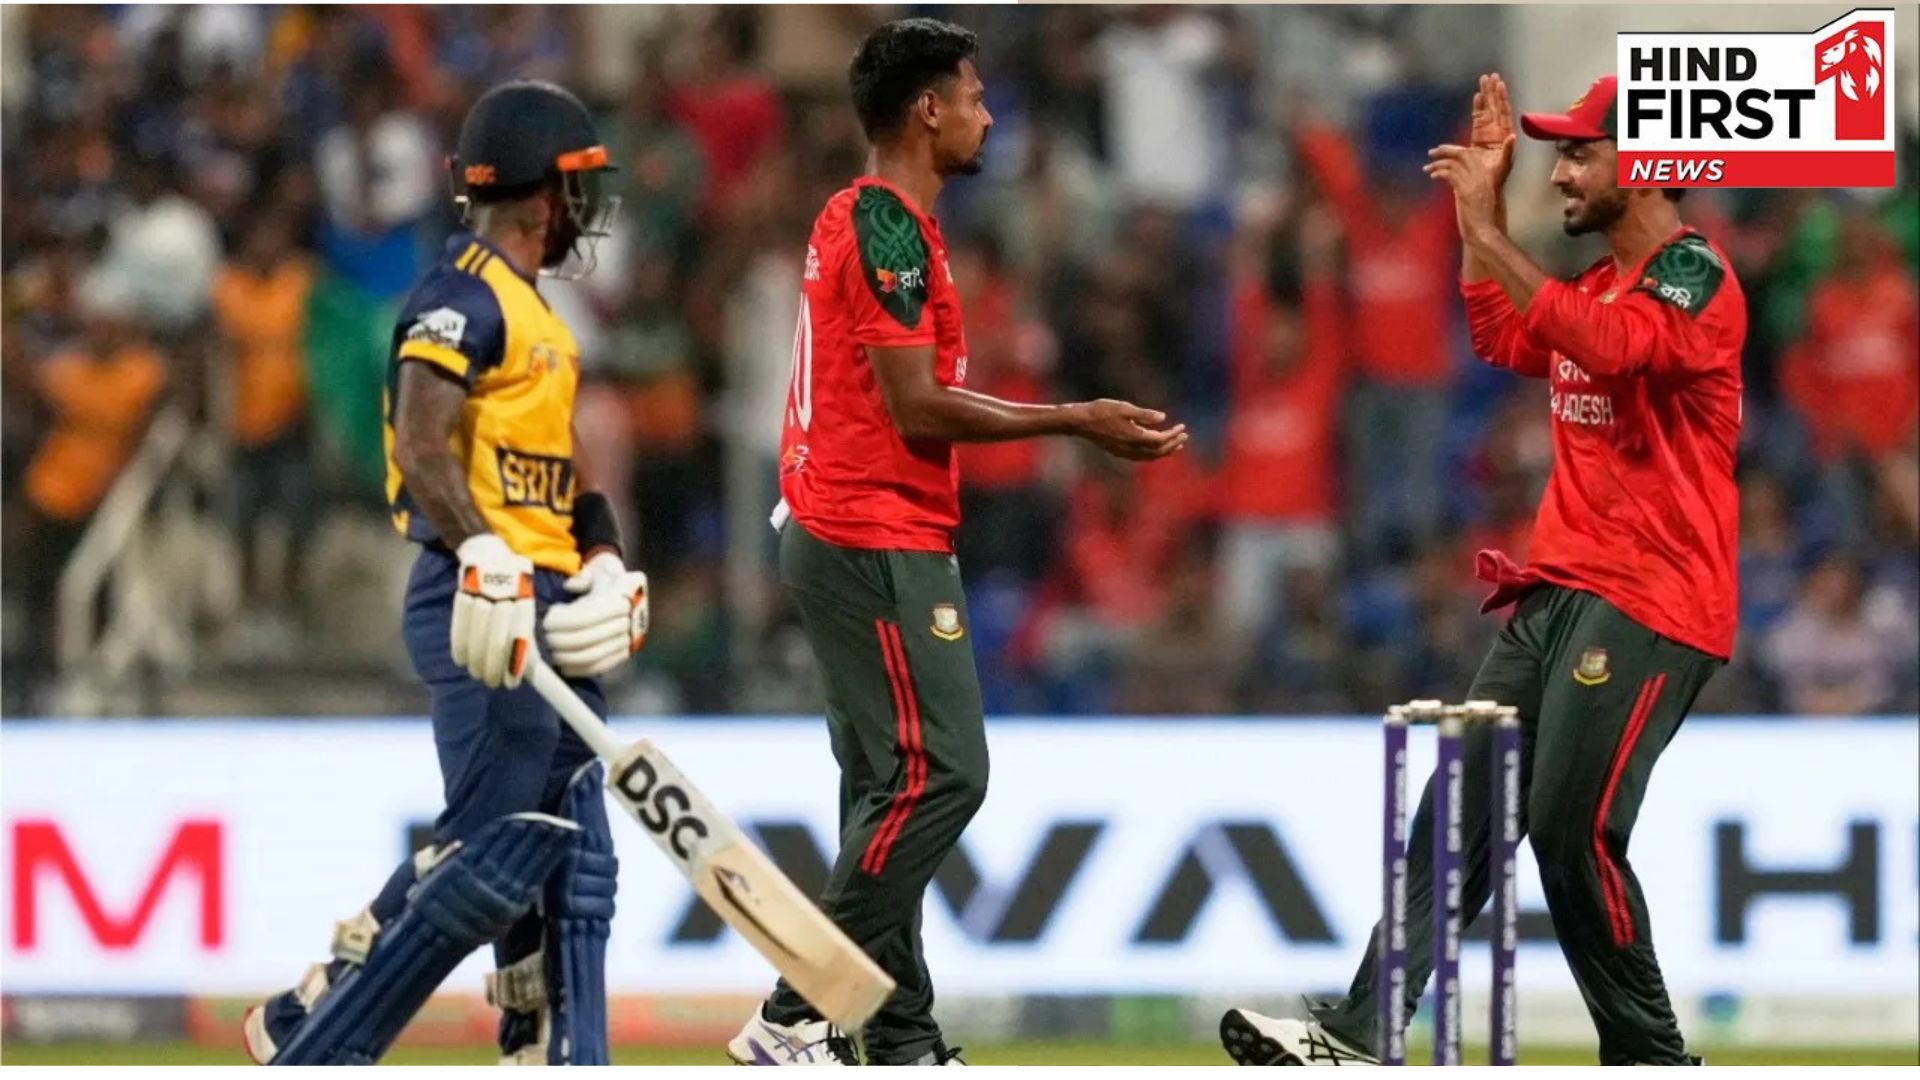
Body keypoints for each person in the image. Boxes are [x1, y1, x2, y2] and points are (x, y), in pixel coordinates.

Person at [1220, 73, 1746, 1066]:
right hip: (1558, 589)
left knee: (1570, 830)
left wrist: (1486, 231)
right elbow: (1503, 333)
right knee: (1454, 812)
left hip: (1652, 599)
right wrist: (1483, 218)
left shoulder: (1693, 274)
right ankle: (1364, 1030)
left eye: (1580, 153)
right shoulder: (1595, 283)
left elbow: (1616, 349)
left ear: (1647, 164)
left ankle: (1651, 1057)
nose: (1562, 175)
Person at [728, 18, 1188, 1067]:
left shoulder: (874, 221)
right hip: (872, 533)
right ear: (927, 109)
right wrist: (1074, 419)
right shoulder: (886, 225)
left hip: (843, 528)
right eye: (974, 98)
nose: (988, 115)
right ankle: (797, 1010)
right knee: (946, 774)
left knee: (884, 792)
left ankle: (899, 1039)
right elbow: (917, 405)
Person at [241, 80, 649, 1066]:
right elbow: (422, 447)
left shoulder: (536, 315)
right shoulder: (458, 295)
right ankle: (313, 1026)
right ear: (543, 193)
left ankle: (554, 1047)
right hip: (480, 596)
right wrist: (485, 555)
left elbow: (564, 475)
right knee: (496, 845)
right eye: (578, 188)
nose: (586, 212)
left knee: (571, 845)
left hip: (542, 593)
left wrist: (602, 560)